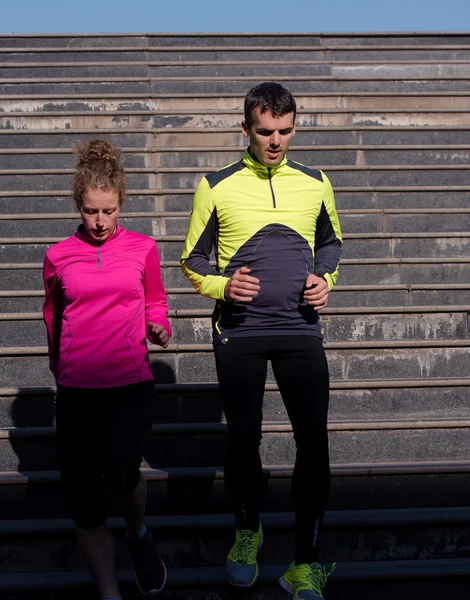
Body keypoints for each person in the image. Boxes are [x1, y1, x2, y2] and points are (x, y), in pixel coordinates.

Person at [181, 82, 342, 599]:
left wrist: (325, 280)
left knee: (313, 444)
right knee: (243, 439)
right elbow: (191, 260)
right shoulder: (215, 184)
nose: (276, 142)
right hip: (240, 333)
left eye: (285, 131)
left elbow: (332, 242)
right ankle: (247, 531)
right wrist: (224, 285)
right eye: (265, 132)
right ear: (245, 128)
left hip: (299, 329)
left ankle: (305, 562)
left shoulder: (316, 182)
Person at [43, 139, 171, 600]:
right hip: (77, 388)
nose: (100, 222)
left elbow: (155, 298)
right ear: (80, 205)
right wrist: (60, 368)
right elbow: (52, 316)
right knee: (85, 503)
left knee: (121, 472)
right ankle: (109, 594)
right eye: (92, 211)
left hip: (128, 382)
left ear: (121, 205)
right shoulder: (57, 256)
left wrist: (157, 323)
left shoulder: (142, 248)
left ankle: (137, 534)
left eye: (109, 211)